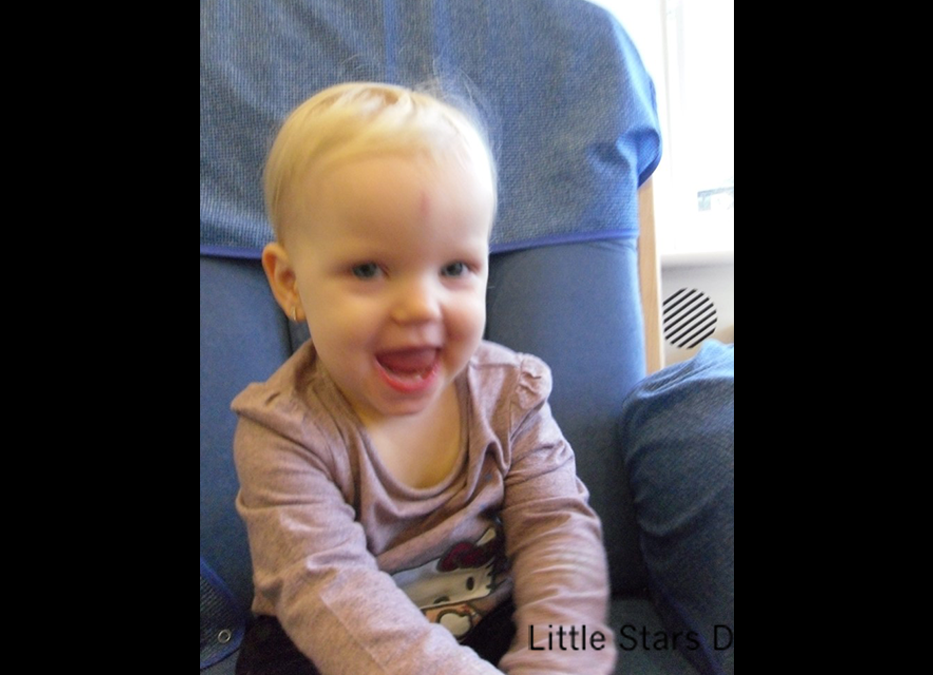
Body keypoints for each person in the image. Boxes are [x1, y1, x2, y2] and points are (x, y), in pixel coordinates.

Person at [231, 82, 616, 675]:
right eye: (368, 269)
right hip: (326, 639)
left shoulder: (511, 396)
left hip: (483, 619)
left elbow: (557, 533)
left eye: (455, 267)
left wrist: (558, 657)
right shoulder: (283, 433)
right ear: (289, 283)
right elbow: (327, 588)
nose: (420, 307)